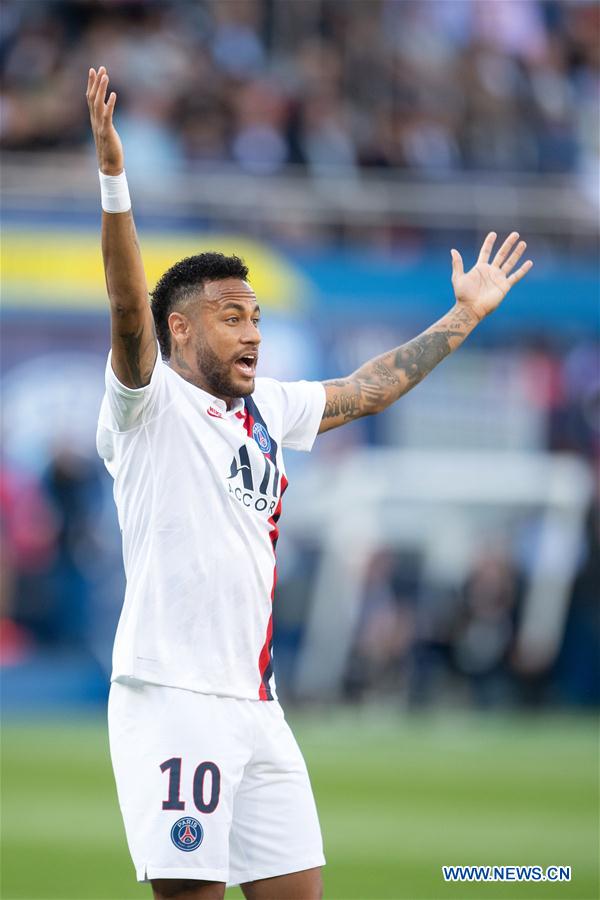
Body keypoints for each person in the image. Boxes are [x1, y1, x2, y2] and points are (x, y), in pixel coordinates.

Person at [88, 65, 532, 900]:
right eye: (231, 316)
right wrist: (115, 179)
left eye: (256, 316)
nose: (252, 332)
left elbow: (371, 388)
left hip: (258, 704)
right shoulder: (147, 406)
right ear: (178, 328)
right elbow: (124, 307)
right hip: (174, 698)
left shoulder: (270, 409)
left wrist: (466, 313)